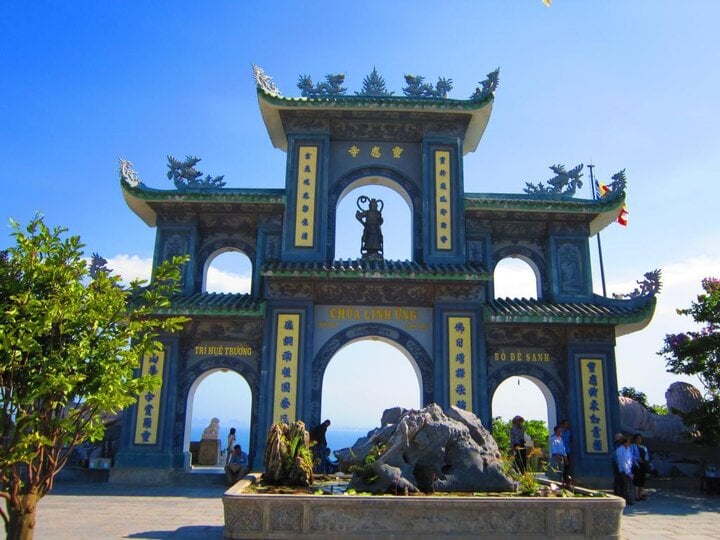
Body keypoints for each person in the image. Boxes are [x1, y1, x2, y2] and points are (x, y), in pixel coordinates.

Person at [615, 436, 635, 505]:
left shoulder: (628, 449)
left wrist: (630, 470)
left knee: (629, 485)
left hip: (629, 469)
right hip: (623, 470)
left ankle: (629, 499)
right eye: (628, 442)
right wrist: (627, 472)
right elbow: (622, 461)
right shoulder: (620, 450)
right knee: (625, 485)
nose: (629, 444)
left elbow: (630, 459)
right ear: (624, 443)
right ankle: (625, 500)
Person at [632, 433, 650, 500]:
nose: (639, 440)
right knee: (636, 480)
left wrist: (646, 463)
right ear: (635, 439)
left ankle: (640, 495)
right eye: (637, 438)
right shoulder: (632, 447)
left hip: (643, 465)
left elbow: (647, 457)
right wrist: (637, 458)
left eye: (640, 438)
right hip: (636, 465)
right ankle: (636, 496)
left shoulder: (644, 448)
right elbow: (631, 455)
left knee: (642, 480)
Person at [560, 419, 572, 485]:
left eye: (568, 424)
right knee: (561, 466)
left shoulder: (569, 432)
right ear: (562, 425)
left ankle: (566, 479)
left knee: (567, 466)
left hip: (567, 451)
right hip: (560, 452)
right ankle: (562, 480)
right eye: (565, 424)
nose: (567, 425)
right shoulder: (559, 432)